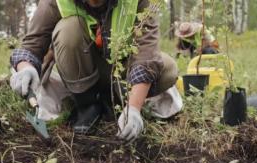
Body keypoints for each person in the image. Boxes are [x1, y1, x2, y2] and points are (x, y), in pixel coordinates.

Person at [9, 0, 179, 139]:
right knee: (68, 30)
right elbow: (32, 44)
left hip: (122, 71)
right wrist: (25, 67)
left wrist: (133, 108)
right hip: (82, 69)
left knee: (168, 68)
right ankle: (87, 104)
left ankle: (119, 104)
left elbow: (146, 54)